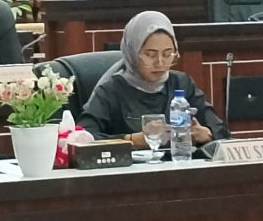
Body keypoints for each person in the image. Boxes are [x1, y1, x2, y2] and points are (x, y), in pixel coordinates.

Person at [79, 11, 228, 149]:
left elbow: (220, 130)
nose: (160, 63)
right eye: (150, 55)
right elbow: (83, 138)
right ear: (132, 53)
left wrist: (207, 134)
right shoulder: (111, 90)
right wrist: (132, 140)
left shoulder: (181, 84)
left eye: (167, 54)